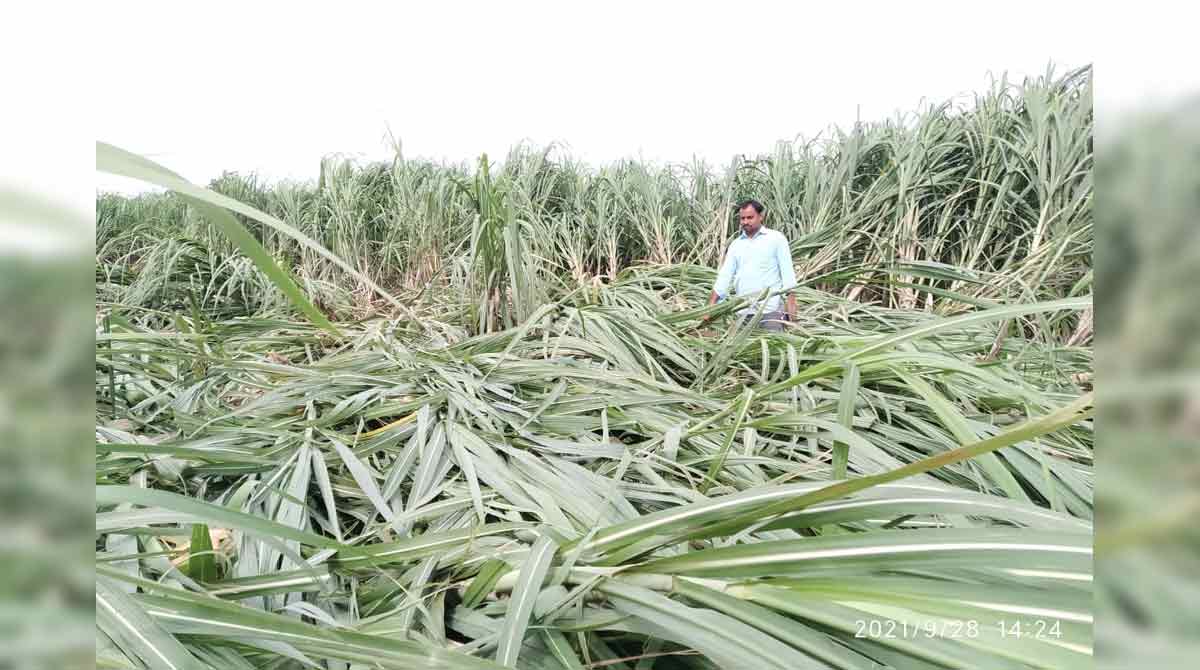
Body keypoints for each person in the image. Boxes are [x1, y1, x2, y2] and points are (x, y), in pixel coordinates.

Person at [704, 199, 797, 332]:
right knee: (743, 351)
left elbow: (787, 274)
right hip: (743, 312)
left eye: (750, 217)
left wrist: (792, 308)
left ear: (761, 217)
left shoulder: (776, 239)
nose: (745, 222)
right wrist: (711, 305)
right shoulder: (736, 245)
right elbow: (725, 276)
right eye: (742, 218)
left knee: (773, 349)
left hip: (770, 312)